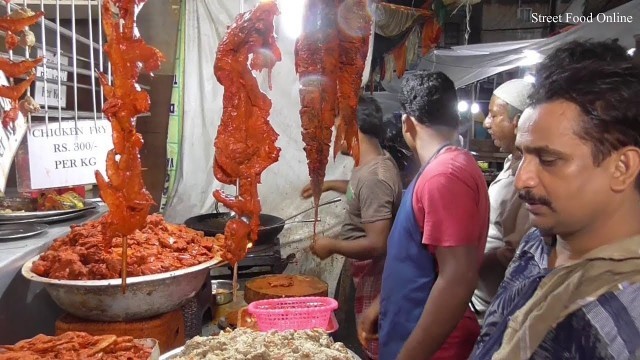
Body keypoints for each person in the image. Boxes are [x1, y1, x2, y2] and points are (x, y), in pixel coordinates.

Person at [471, 51, 640, 358]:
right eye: (523, 156)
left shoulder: (628, 317)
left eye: (549, 160)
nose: (522, 181)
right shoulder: (537, 241)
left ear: (622, 168)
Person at [358, 71, 489, 360]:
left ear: (407, 123)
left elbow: (457, 277)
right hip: (412, 335)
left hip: (433, 350)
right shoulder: (445, 167)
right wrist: (381, 304)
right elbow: (421, 259)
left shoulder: (444, 175)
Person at [301, 95, 403, 359]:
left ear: (352, 129)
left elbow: (377, 243)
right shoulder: (370, 162)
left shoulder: (375, 177)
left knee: (364, 345)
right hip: (361, 269)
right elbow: (360, 195)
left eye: (337, 129)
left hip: (374, 272)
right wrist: (332, 184)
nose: (335, 137)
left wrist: (331, 246)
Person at [471, 79, 533, 316]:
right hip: (478, 295)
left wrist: (462, 265)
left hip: (493, 306)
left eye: (494, 115)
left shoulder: (526, 178)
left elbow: (512, 251)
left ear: (518, 122)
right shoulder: (509, 164)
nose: (486, 123)